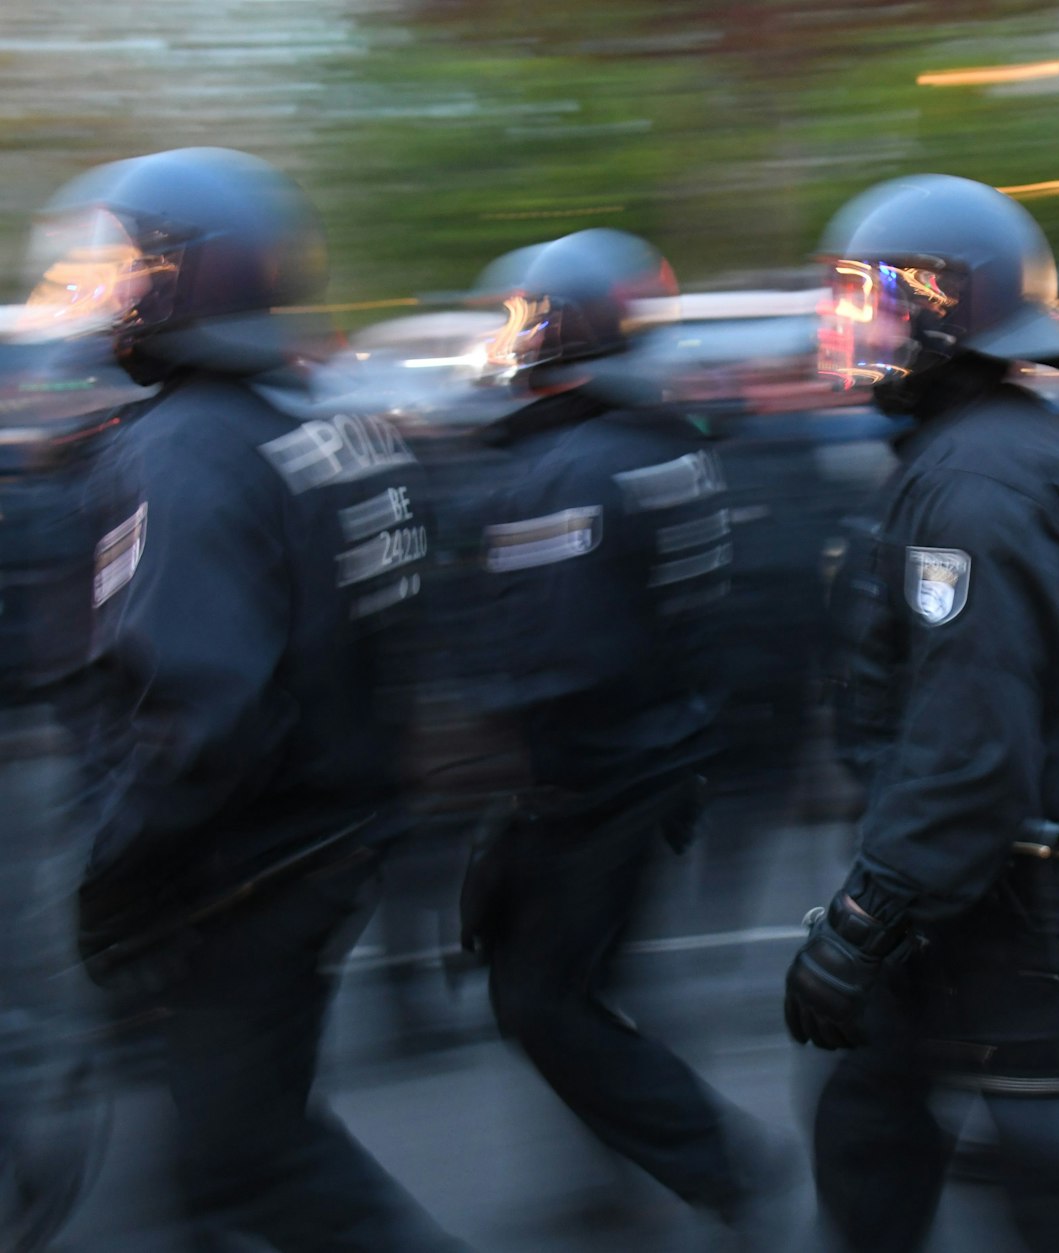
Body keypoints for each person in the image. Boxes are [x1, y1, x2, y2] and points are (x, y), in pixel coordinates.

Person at [53, 147, 468, 1251]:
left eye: (132, 265)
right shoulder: (342, 423)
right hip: (333, 829)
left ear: (197, 278)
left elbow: (198, 710)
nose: (108, 289)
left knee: (254, 1158)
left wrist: (119, 876)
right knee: (223, 1143)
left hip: (243, 862)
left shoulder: (182, 451)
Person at [784, 174, 1059, 1253]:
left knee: (1043, 1149)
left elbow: (970, 735)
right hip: (999, 866)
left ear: (942, 306)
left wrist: (867, 916)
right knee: (876, 1121)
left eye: (867, 298)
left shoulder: (979, 481)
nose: (842, 323)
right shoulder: (1008, 448)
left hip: (1007, 878)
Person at [453, 228, 794, 1237]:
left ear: (564, 327)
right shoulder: (668, 443)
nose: (506, 335)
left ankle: (719, 1161)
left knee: (543, 1001)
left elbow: (557, 654)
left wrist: (490, 758)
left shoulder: (569, 470)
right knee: (591, 985)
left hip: (591, 780)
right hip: (661, 756)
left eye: (519, 315)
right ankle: (622, 1177)